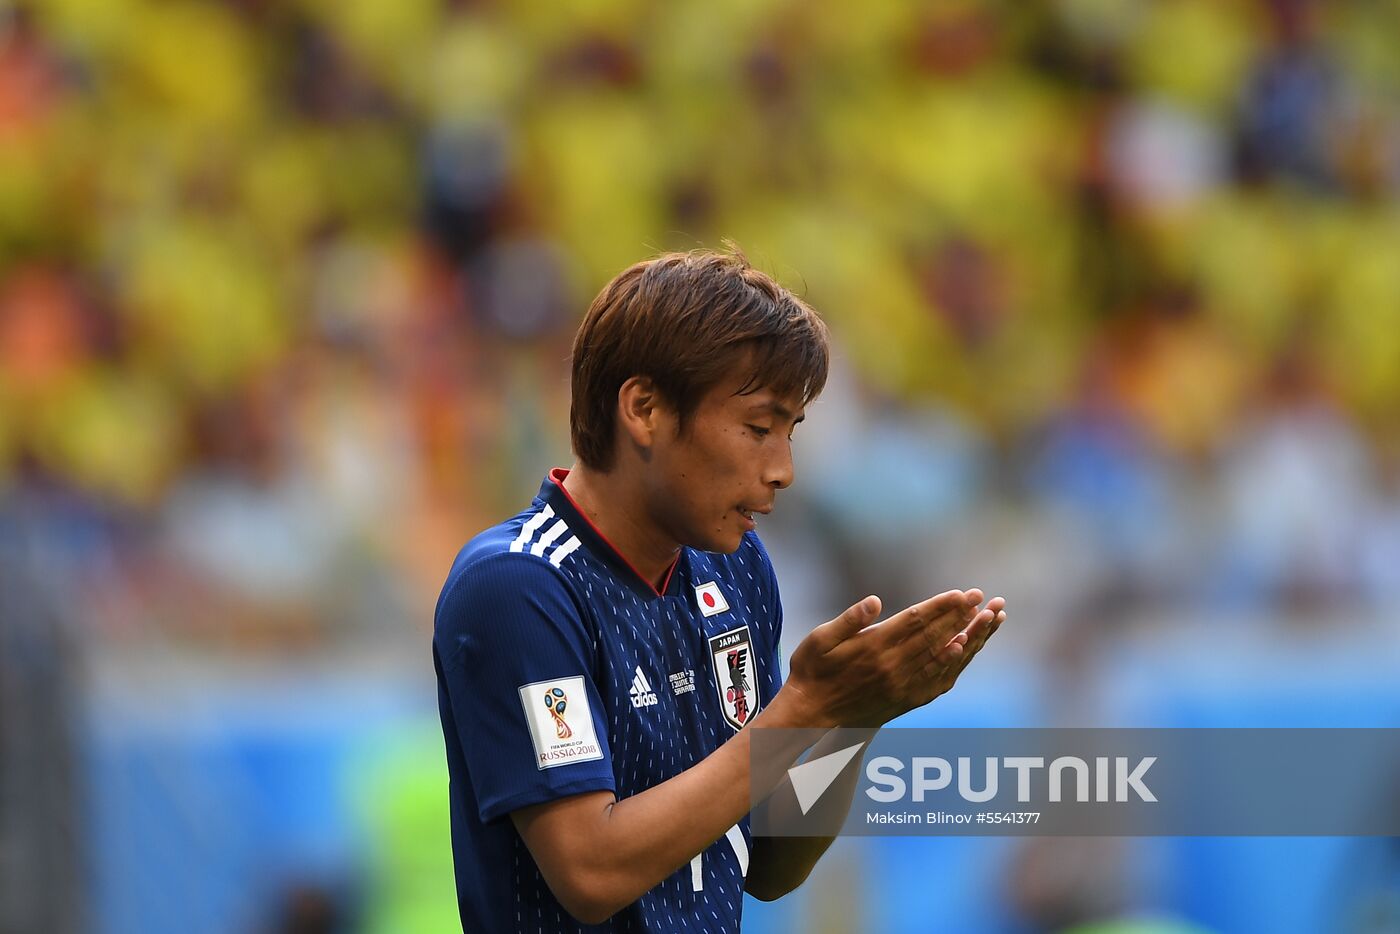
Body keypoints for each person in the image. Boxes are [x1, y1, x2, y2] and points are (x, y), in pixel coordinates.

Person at [432, 248, 1007, 932]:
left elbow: (771, 864)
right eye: (759, 428)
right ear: (643, 408)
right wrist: (801, 712)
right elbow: (590, 871)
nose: (784, 469)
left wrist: (848, 720)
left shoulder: (735, 571)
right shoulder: (520, 587)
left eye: (790, 432)